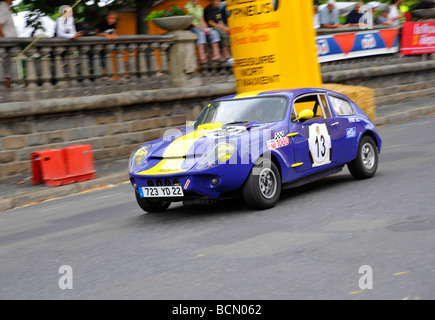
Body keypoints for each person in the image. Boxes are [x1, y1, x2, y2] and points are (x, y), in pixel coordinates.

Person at [185, 0, 223, 64]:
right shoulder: (187, 7)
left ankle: (216, 56)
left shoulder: (199, 7)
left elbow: (202, 19)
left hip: (200, 26)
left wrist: (206, 28)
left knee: (214, 33)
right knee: (201, 34)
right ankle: (202, 58)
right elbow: (190, 22)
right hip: (192, 27)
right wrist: (201, 29)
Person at [204, 0, 233, 64]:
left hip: (217, 26)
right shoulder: (209, 9)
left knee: (227, 33)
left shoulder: (218, 9)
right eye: (215, 1)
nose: (216, 2)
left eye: (218, 1)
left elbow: (220, 21)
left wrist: (225, 28)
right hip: (210, 27)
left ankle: (229, 55)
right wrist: (223, 28)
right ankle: (227, 56)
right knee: (223, 34)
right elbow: (211, 23)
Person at [0, 0, 17, 88]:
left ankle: (9, 86)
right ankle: (7, 88)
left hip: (10, 44)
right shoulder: (2, 8)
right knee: (7, 70)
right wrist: (5, 40)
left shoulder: (6, 8)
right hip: (7, 44)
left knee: (8, 69)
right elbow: (0, 26)